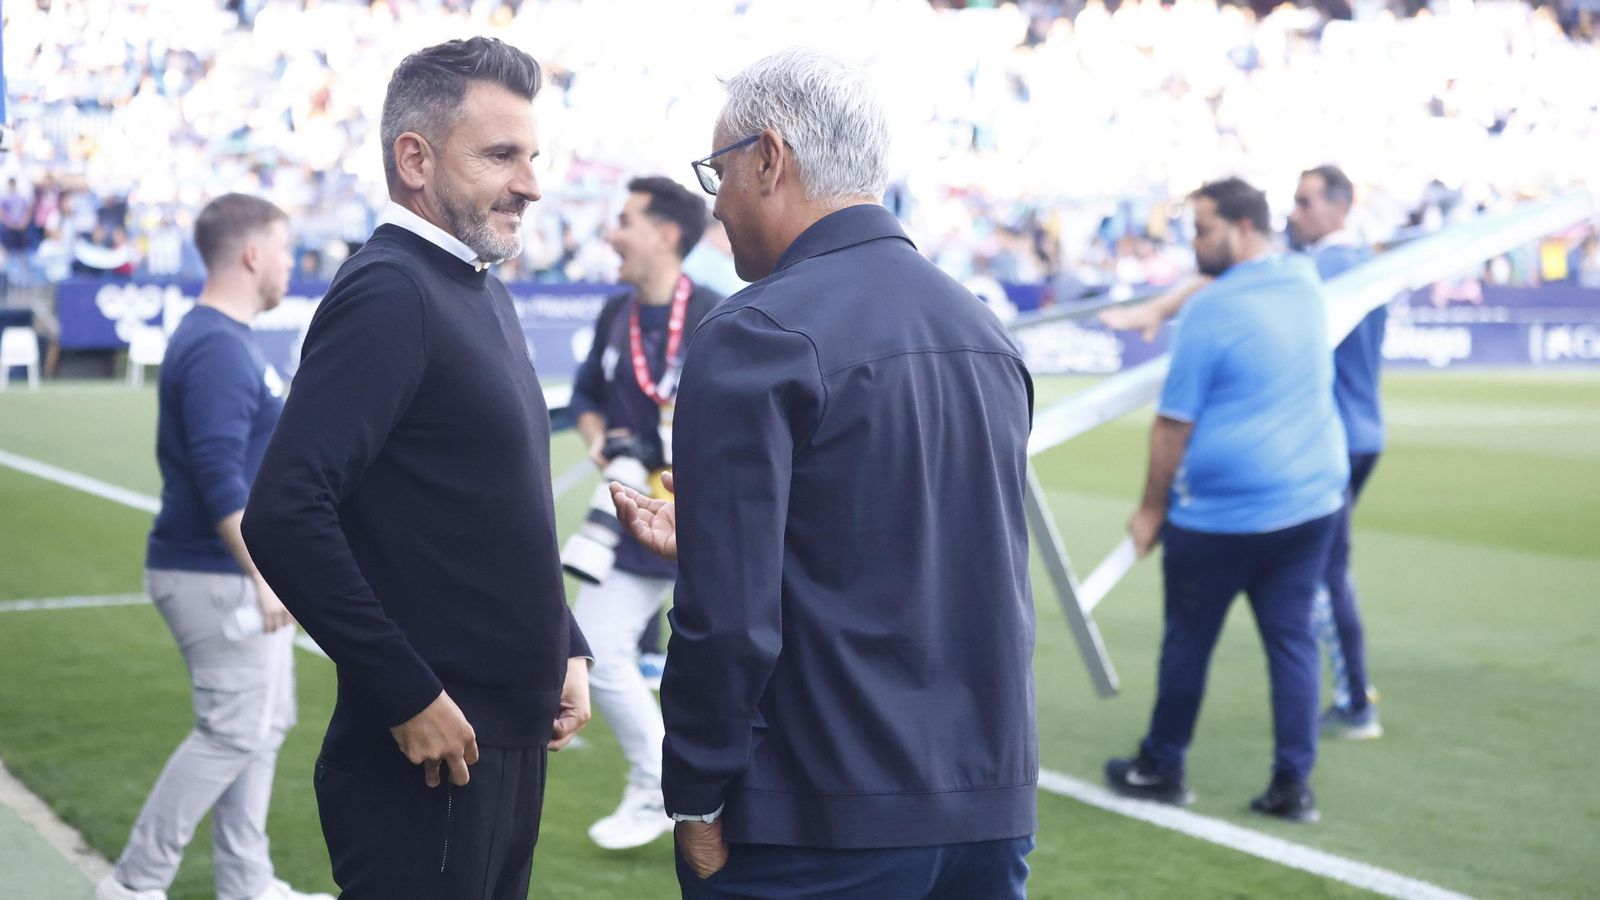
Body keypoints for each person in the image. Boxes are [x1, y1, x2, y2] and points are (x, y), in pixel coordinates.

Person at [614, 48, 1037, 899]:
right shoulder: (984, 328)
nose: (716, 205)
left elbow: (728, 619)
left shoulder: (757, 331)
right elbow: (904, 558)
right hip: (985, 811)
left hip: (816, 817)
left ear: (768, 159)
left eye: (717, 173)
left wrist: (693, 799)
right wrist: (708, 544)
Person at [240, 38, 591, 899]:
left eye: (533, 156)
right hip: (430, 756)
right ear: (415, 159)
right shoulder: (390, 290)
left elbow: (498, 508)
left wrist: (567, 645)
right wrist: (404, 693)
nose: (532, 183)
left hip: (502, 737)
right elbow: (285, 512)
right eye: (502, 155)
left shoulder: (479, 286)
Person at [98, 194, 329, 900]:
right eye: (286, 249)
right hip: (215, 573)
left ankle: (246, 883)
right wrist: (261, 573)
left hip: (228, 570)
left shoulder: (225, 339)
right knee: (231, 731)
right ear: (253, 254)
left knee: (264, 724)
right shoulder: (215, 346)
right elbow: (216, 474)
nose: (293, 264)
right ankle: (135, 885)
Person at [1101, 165, 1386, 739]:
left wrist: (1160, 308)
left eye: (1306, 204)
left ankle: (1357, 700)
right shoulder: (1319, 270)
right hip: (1339, 440)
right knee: (1312, 593)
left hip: (1325, 444)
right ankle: (1335, 720)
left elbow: (1235, 277)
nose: (1294, 216)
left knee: (1321, 583)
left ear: (1340, 208)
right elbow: (1242, 272)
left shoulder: (1325, 264)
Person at [569, 175, 723, 850]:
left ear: (665, 235)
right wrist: (605, 446)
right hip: (634, 525)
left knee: (748, 675)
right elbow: (586, 399)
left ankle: (750, 811)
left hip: (711, 529)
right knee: (595, 647)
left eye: (625, 220)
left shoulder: (719, 316)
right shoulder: (615, 313)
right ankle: (657, 786)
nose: (611, 233)